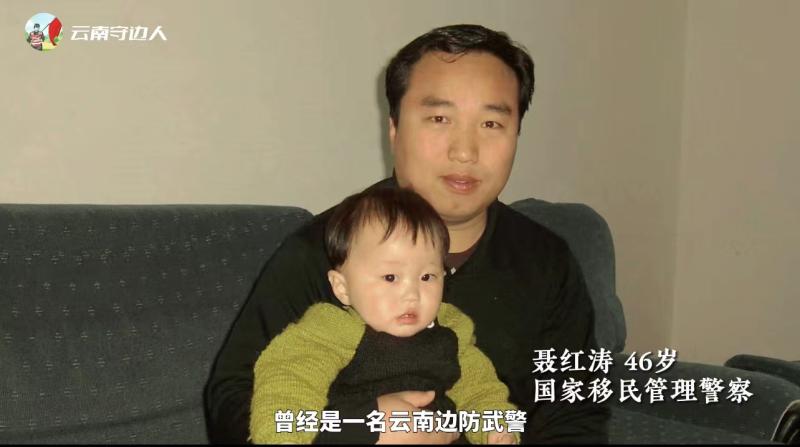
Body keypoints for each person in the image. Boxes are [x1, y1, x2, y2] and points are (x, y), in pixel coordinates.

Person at [206, 24, 609, 444]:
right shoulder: (324, 250)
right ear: (394, 129)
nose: (465, 151)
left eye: (491, 123)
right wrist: (359, 427)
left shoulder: (546, 260)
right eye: (439, 118)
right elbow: (232, 401)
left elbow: (575, 410)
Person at [249, 187, 519, 444]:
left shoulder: (451, 330)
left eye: (427, 277)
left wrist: (497, 428)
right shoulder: (331, 330)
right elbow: (289, 380)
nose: (412, 295)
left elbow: (480, 388)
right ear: (342, 288)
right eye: (390, 277)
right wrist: (284, 437)